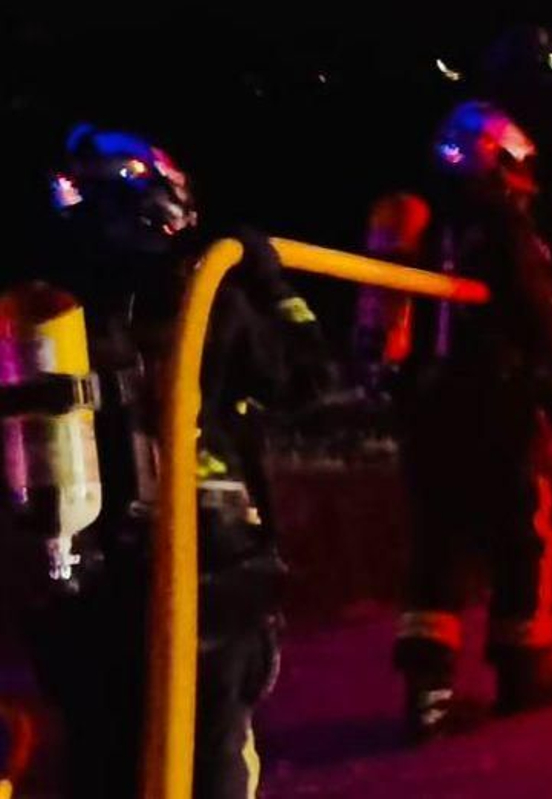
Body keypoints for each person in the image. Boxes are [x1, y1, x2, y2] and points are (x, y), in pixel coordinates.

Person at [2, 126, 332, 798]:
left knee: (101, 766)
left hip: (80, 593)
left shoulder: (41, 314)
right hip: (207, 577)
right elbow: (308, 379)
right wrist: (270, 283)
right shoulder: (204, 294)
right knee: (207, 768)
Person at [385, 101, 552, 742]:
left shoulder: (427, 227)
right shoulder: (505, 228)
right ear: (501, 160)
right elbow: (539, 324)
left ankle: (427, 700)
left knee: (439, 551)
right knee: (525, 539)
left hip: (430, 414)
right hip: (499, 411)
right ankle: (522, 677)